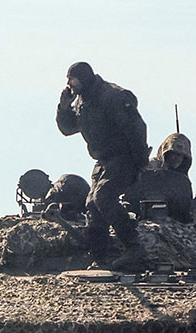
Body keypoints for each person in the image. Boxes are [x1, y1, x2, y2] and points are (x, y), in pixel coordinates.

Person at [56, 62, 150, 270]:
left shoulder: (112, 96)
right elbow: (68, 129)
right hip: (103, 160)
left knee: (103, 197)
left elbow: (136, 128)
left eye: (72, 79)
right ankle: (100, 257)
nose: (69, 84)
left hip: (125, 156)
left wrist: (140, 160)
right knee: (92, 204)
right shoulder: (82, 101)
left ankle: (134, 248)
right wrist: (64, 108)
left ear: (84, 78)